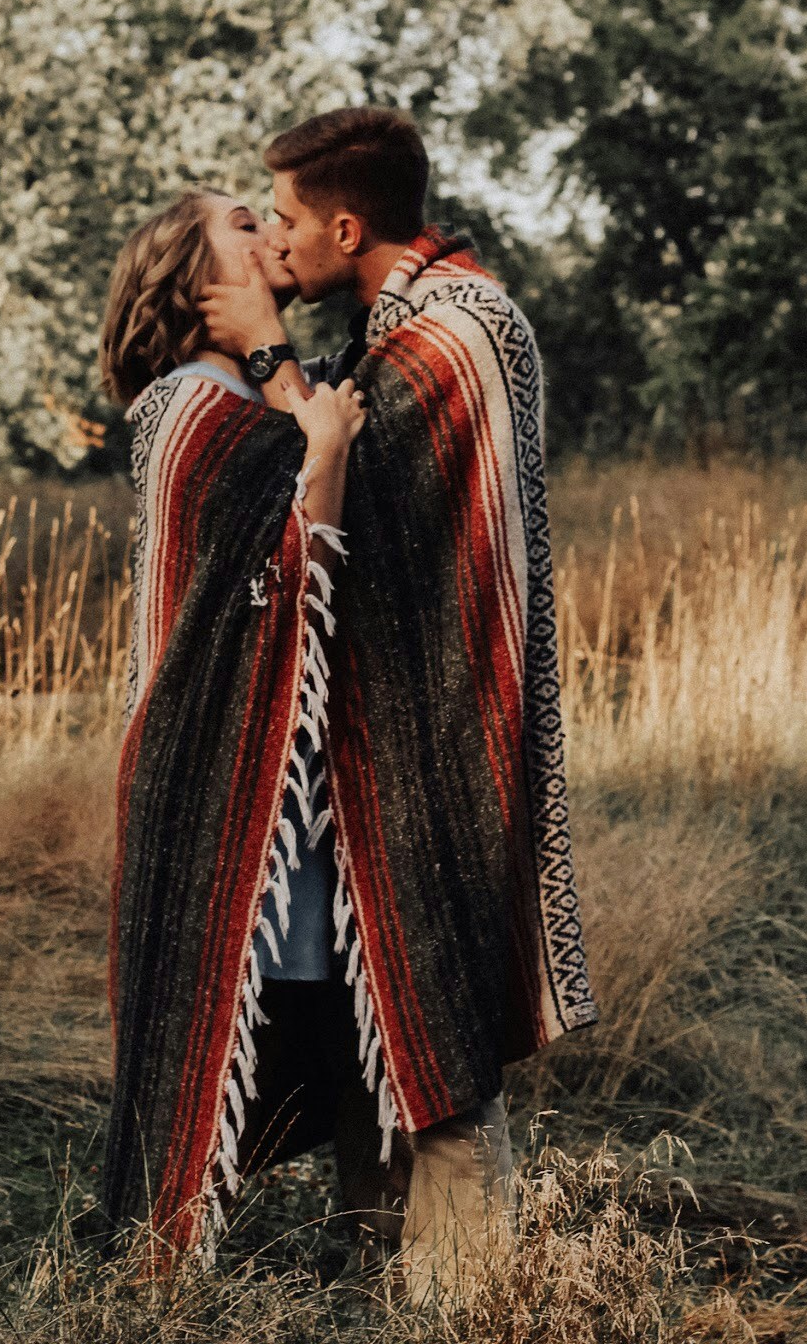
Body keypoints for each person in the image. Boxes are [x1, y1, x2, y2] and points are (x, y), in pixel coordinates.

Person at [199, 107, 596, 1299]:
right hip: (404, 718)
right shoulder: (413, 320)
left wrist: (267, 353)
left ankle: (471, 1295)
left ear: (344, 224)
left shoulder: (452, 336)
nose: (270, 239)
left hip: (442, 724)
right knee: (382, 987)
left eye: (279, 218)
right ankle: (384, 1266)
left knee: (435, 994)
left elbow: (335, 485)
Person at [96, 188, 379, 1260]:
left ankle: (351, 1230)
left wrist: (279, 371)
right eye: (240, 225)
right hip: (212, 760)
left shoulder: (248, 392)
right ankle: (165, 1256)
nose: (270, 231)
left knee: (297, 999)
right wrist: (324, 447)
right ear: (190, 278)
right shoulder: (186, 407)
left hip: (279, 767)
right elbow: (286, 564)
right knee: (224, 993)